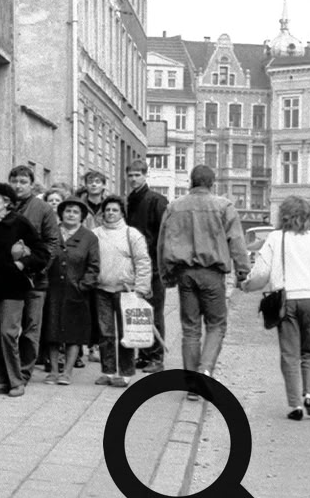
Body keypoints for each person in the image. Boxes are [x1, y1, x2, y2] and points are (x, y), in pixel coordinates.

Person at [241, 196, 310, 420]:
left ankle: (295, 406)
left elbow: (261, 274)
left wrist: (246, 285)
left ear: (283, 216)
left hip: (287, 300)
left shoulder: (275, 238)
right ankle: (309, 394)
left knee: (290, 353)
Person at [157, 164, 250, 396]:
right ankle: (205, 370)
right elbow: (236, 240)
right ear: (212, 182)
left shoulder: (174, 207)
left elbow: (163, 243)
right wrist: (242, 270)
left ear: (191, 181)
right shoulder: (223, 206)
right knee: (216, 324)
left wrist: (166, 274)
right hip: (212, 273)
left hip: (185, 273)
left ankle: (191, 384)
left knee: (190, 329)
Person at [0, 183, 51, 397]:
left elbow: (42, 252)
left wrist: (24, 264)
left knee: (7, 333)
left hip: (12, 288)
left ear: (7, 201)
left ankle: (16, 381)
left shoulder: (20, 224)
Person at [7, 165, 61, 384]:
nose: (18, 186)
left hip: (35, 279)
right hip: (8, 279)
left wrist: (38, 267)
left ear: (31, 185)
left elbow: (53, 243)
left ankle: (24, 371)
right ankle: (8, 369)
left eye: (23, 182)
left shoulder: (43, 209)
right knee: (8, 328)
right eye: (14, 181)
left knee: (31, 328)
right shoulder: (3, 206)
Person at [91, 196, 152, 388]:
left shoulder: (132, 234)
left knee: (126, 333)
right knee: (105, 333)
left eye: (114, 210)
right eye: (107, 210)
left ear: (122, 213)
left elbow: (143, 261)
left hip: (126, 291)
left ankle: (125, 373)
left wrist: (141, 288)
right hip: (101, 290)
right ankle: (107, 371)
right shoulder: (95, 234)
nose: (110, 213)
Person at [41, 198, 100, 385]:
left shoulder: (89, 237)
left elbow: (94, 266)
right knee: (51, 330)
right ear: (61, 214)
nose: (71, 215)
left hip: (77, 292)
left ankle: (67, 372)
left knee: (73, 333)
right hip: (53, 290)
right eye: (68, 211)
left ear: (82, 216)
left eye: (75, 212)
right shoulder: (52, 233)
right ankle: (53, 371)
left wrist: (83, 286)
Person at [126, 159, 170, 373]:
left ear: (145, 175)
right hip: (135, 263)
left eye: (137, 175)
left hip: (152, 264)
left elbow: (164, 234)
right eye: (131, 175)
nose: (134, 179)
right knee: (139, 311)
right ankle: (144, 354)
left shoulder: (156, 200)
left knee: (154, 310)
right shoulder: (130, 200)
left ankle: (156, 357)